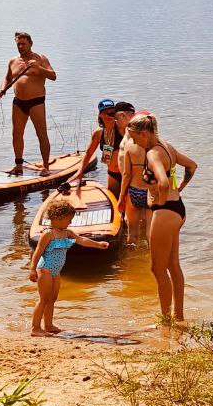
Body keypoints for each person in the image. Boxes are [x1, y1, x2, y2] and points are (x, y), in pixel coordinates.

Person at [127, 114, 197, 324]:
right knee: (173, 265)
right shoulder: (168, 147)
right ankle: (179, 316)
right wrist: (181, 188)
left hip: (165, 212)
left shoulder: (153, 155)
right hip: (178, 209)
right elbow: (192, 166)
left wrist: (160, 201)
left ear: (144, 134)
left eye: (133, 137)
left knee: (157, 269)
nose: (132, 142)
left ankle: (166, 320)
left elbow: (164, 183)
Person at [28, 197, 110, 335]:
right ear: (58, 217)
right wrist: (32, 269)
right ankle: (35, 328)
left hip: (56, 272)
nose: (70, 222)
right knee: (44, 299)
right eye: (69, 219)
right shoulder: (48, 234)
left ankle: (48, 325)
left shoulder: (67, 233)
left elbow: (81, 240)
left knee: (52, 299)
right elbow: (38, 252)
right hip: (45, 269)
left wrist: (98, 244)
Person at [0, 31, 56, 175]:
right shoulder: (13, 61)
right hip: (18, 102)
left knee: (41, 133)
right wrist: (2, 89)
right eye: (18, 44)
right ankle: (18, 166)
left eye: (23, 44)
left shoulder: (40, 58)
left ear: (31, 43)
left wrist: (39, 68)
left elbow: (53, 76)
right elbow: (7, 77)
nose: (21, 46)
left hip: (36, 102)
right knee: (16, 134)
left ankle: (46, 167)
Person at [77, 99, 134, 199]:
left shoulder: (122, 128)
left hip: (128, 174)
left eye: (112, 113)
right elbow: (88, 154)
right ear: (100, 115)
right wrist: (80, 171)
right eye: (106, 113)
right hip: (112, 174)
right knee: (115, 203)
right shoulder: (98, 133)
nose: (109, 116)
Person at [116, 109, 152, 246]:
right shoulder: (157, 146)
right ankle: (149, 261)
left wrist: (121, 197)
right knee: (150, 232)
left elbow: (126, 174)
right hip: (150, 192)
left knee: (132, 234)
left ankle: (131, 261)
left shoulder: (129, 146)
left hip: (134, 190)